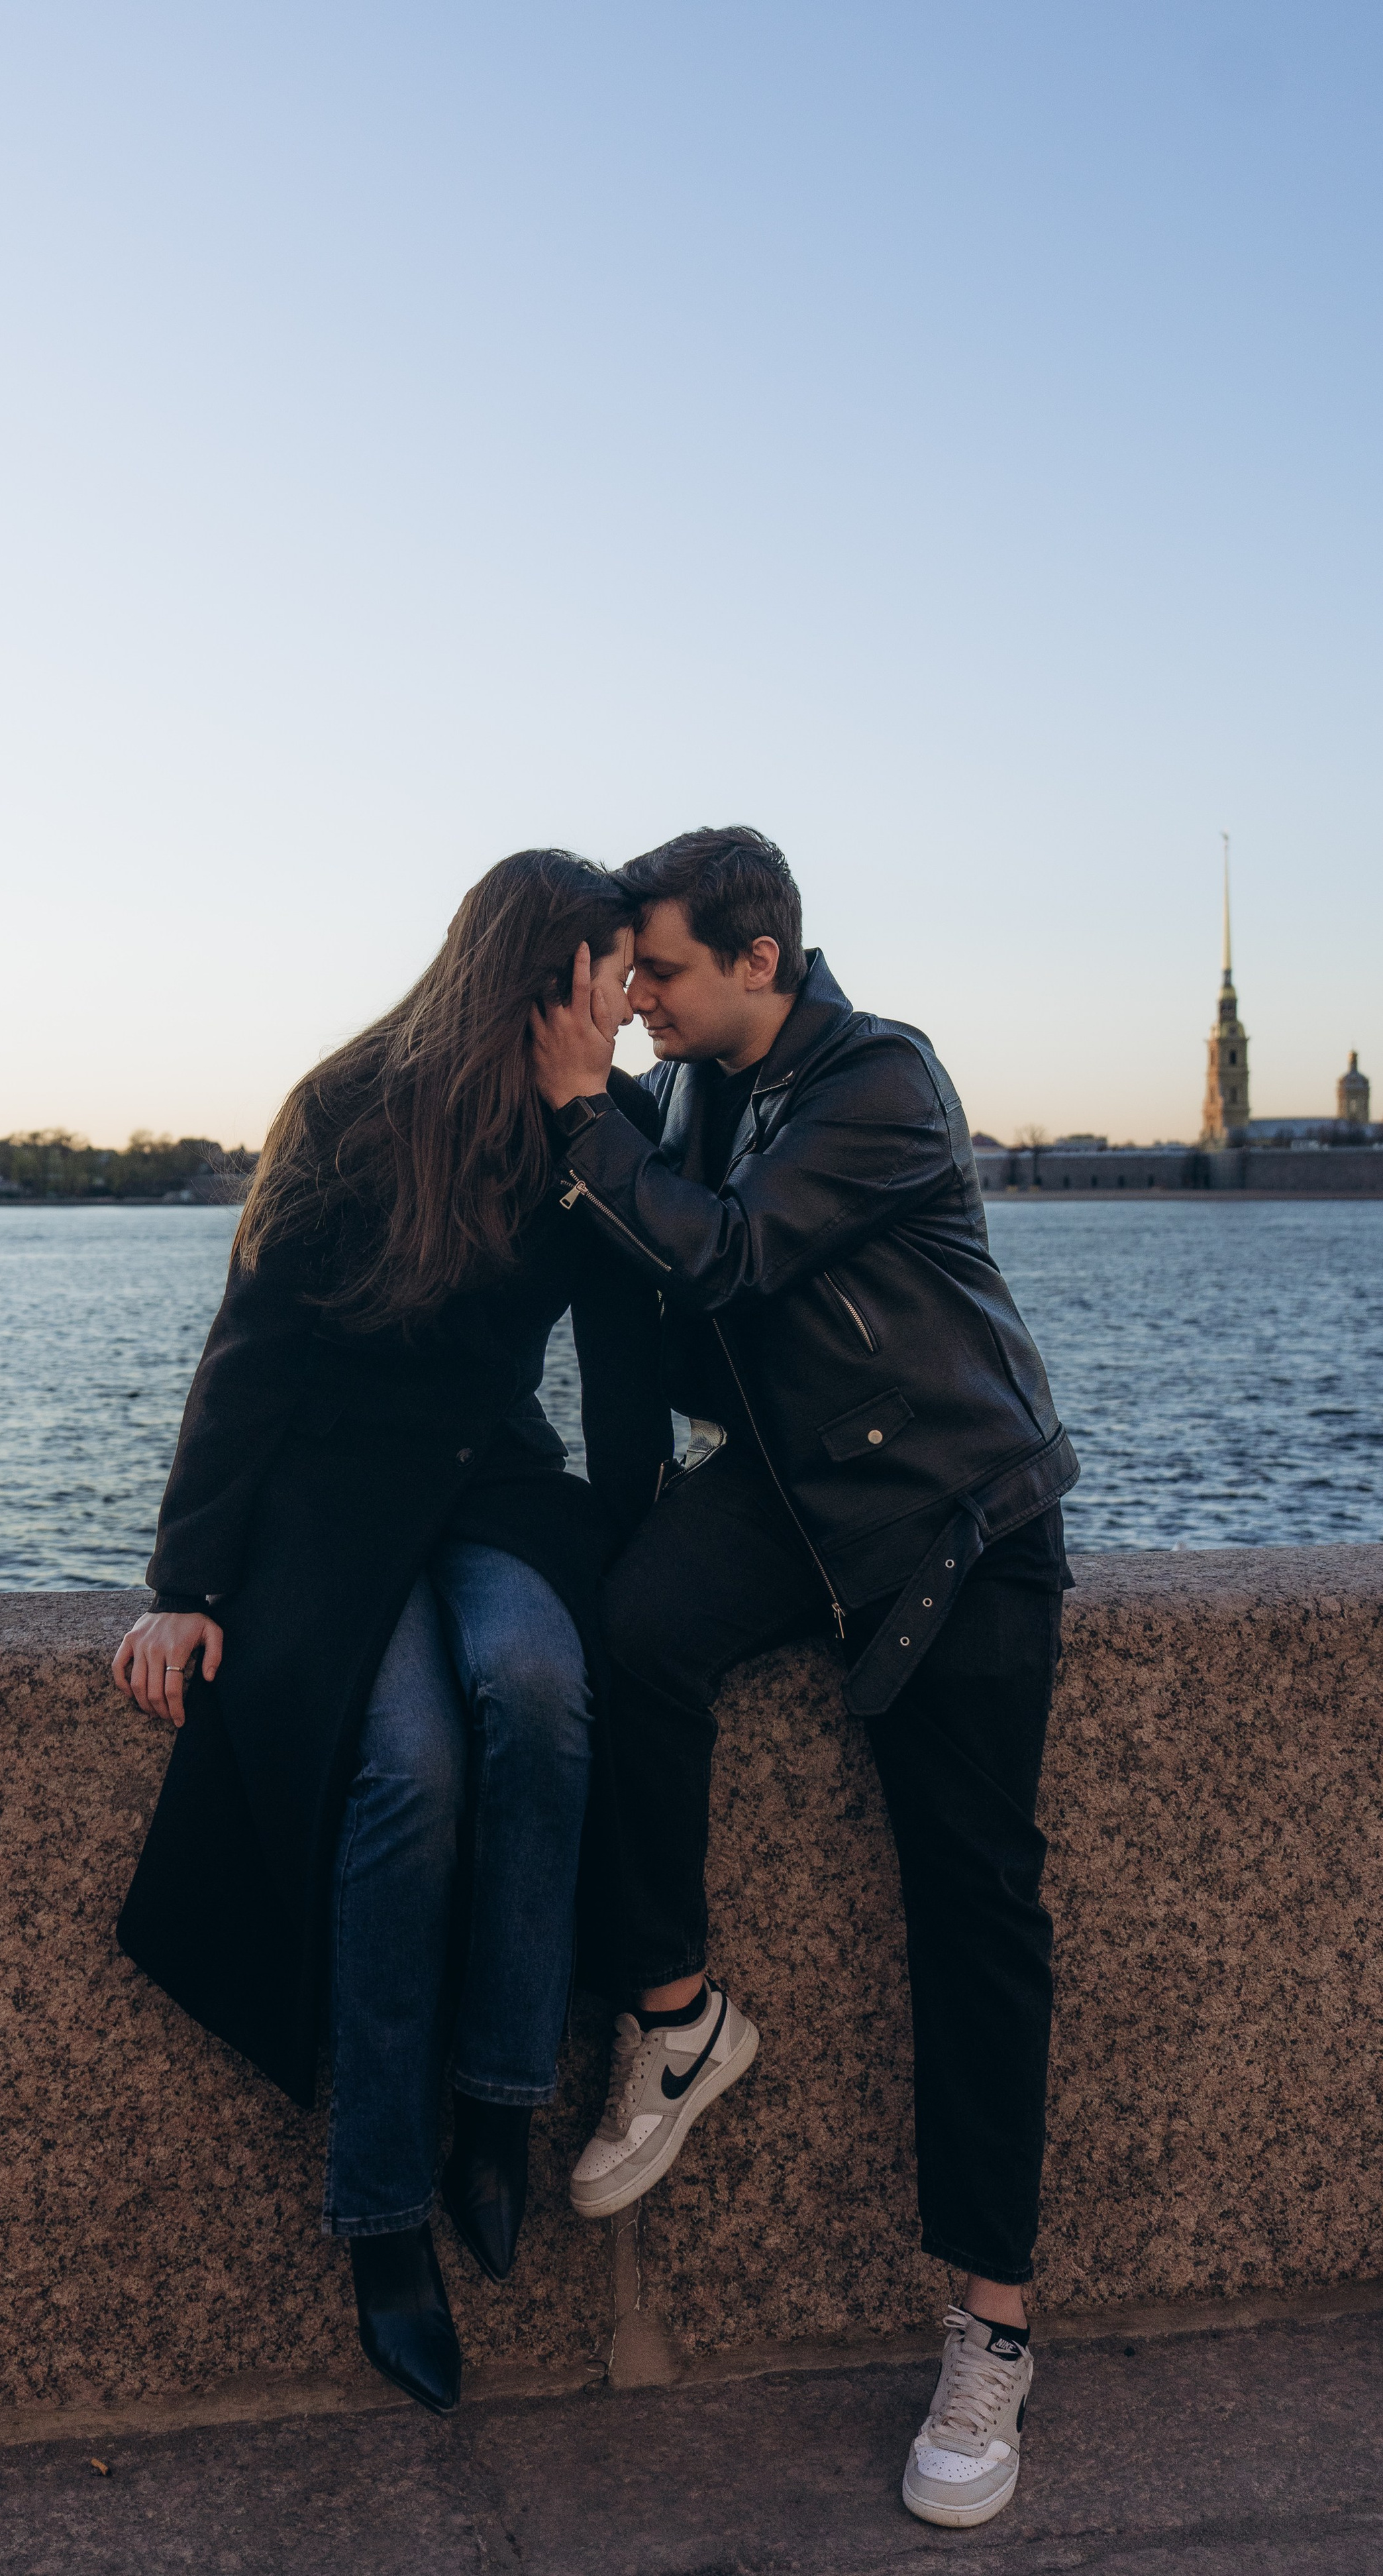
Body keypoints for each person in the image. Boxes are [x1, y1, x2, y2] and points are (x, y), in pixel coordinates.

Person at [531, 826, 1077, 2532]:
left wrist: (573, 1117)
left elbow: (725, 1257)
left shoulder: (879, 1082)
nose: (640, 1002)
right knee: (622, 1639)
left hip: (949, 1511)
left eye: (664, 973)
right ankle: (681, 2019)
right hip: (786, 1493)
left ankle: (989, 2326)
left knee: (970, 1906)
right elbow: (658, 1258)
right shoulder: (702, 1085)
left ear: (760, 958)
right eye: (629, 978)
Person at [111, 850, 670, 2419]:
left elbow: (623, 1363)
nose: (628, 1008)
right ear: (538, 977)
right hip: (325, 1520)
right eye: (609, 977)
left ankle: (498, 2104)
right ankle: (380, 2222)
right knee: (409, 1770)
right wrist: (186, 1585)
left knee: (542, 1685)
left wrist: (631, 1549)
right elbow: (250, 1359)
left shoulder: (591, 1134)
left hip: (487, 1495)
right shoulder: (351, 1111)